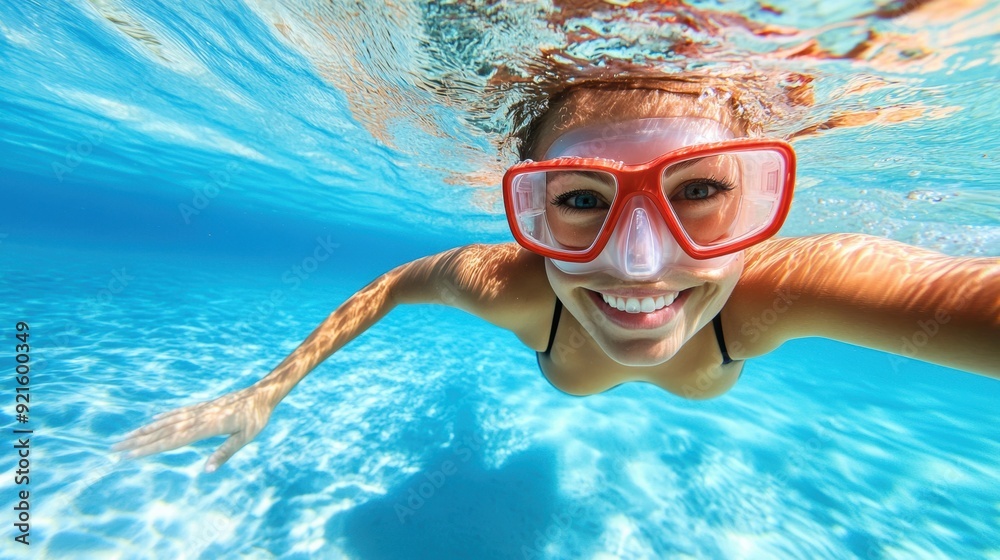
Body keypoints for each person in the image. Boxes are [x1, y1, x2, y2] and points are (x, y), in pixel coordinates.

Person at [113, 78, 999, 473]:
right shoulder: (512, 286)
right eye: (579, 201)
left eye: (699, 192)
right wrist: (266, 391)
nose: (639, 262)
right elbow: (389, 286)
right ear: (530, 214)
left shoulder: (786, 286)